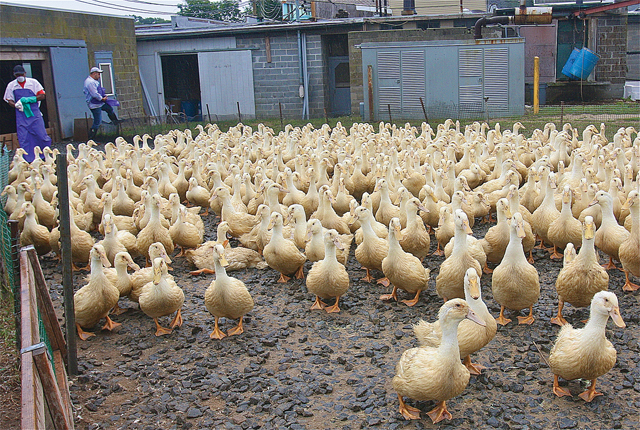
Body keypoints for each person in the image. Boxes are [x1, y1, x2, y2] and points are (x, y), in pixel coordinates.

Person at [2, 64, 52, 163]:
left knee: (41, 135)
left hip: (34, 114)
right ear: (14, 75)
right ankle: (28, 160)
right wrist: (16, 105)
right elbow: (8, 99)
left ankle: (45, 156)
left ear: (25, 73)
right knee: (24, 138)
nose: (19, 77)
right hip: (21, 115)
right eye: (17, 75)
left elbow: (42, 95)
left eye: (21, 74)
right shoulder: (11, 85)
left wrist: (31, 99)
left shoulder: (33, 82)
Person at [83, 66, 120, 140]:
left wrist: (103, 96)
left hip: (100, 103)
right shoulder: (90, 82)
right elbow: (94, 94)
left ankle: (116, 123)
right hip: (94, 104)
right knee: (97, 121)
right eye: (98, 74)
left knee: (109, 109)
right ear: (94, 73)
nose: (99, 76)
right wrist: (102, 98)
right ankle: (92, 138)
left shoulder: (94, 81)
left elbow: (99, 91)